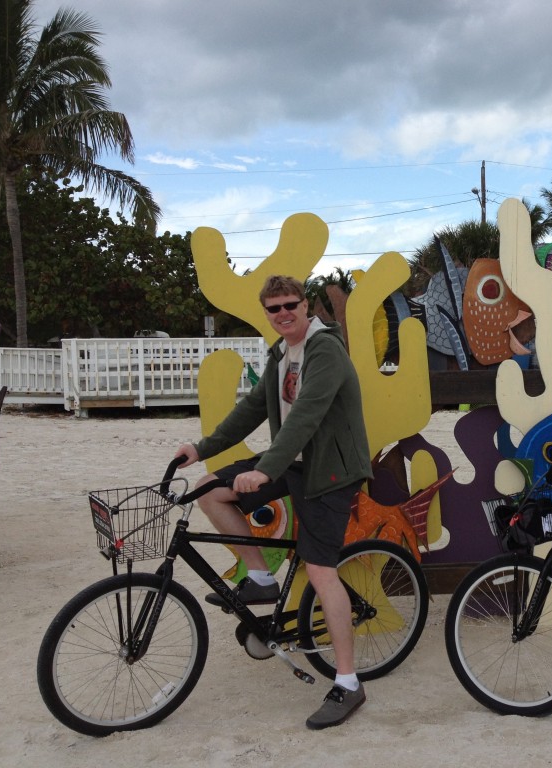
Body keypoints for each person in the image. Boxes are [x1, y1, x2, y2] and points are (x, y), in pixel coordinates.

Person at [175, 275, 372, 731]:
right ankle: (261, 576)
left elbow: (306, 415)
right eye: (274, 308)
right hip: (292, 460)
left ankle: (348, 681)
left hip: (331, 470)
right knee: (212, 490)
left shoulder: (326, 351)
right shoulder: (280, 354)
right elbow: (252, 410)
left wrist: (266, 469)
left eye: (290, 305)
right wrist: (201, 448)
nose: (283, 314)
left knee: (322, 571)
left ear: (306, 305)